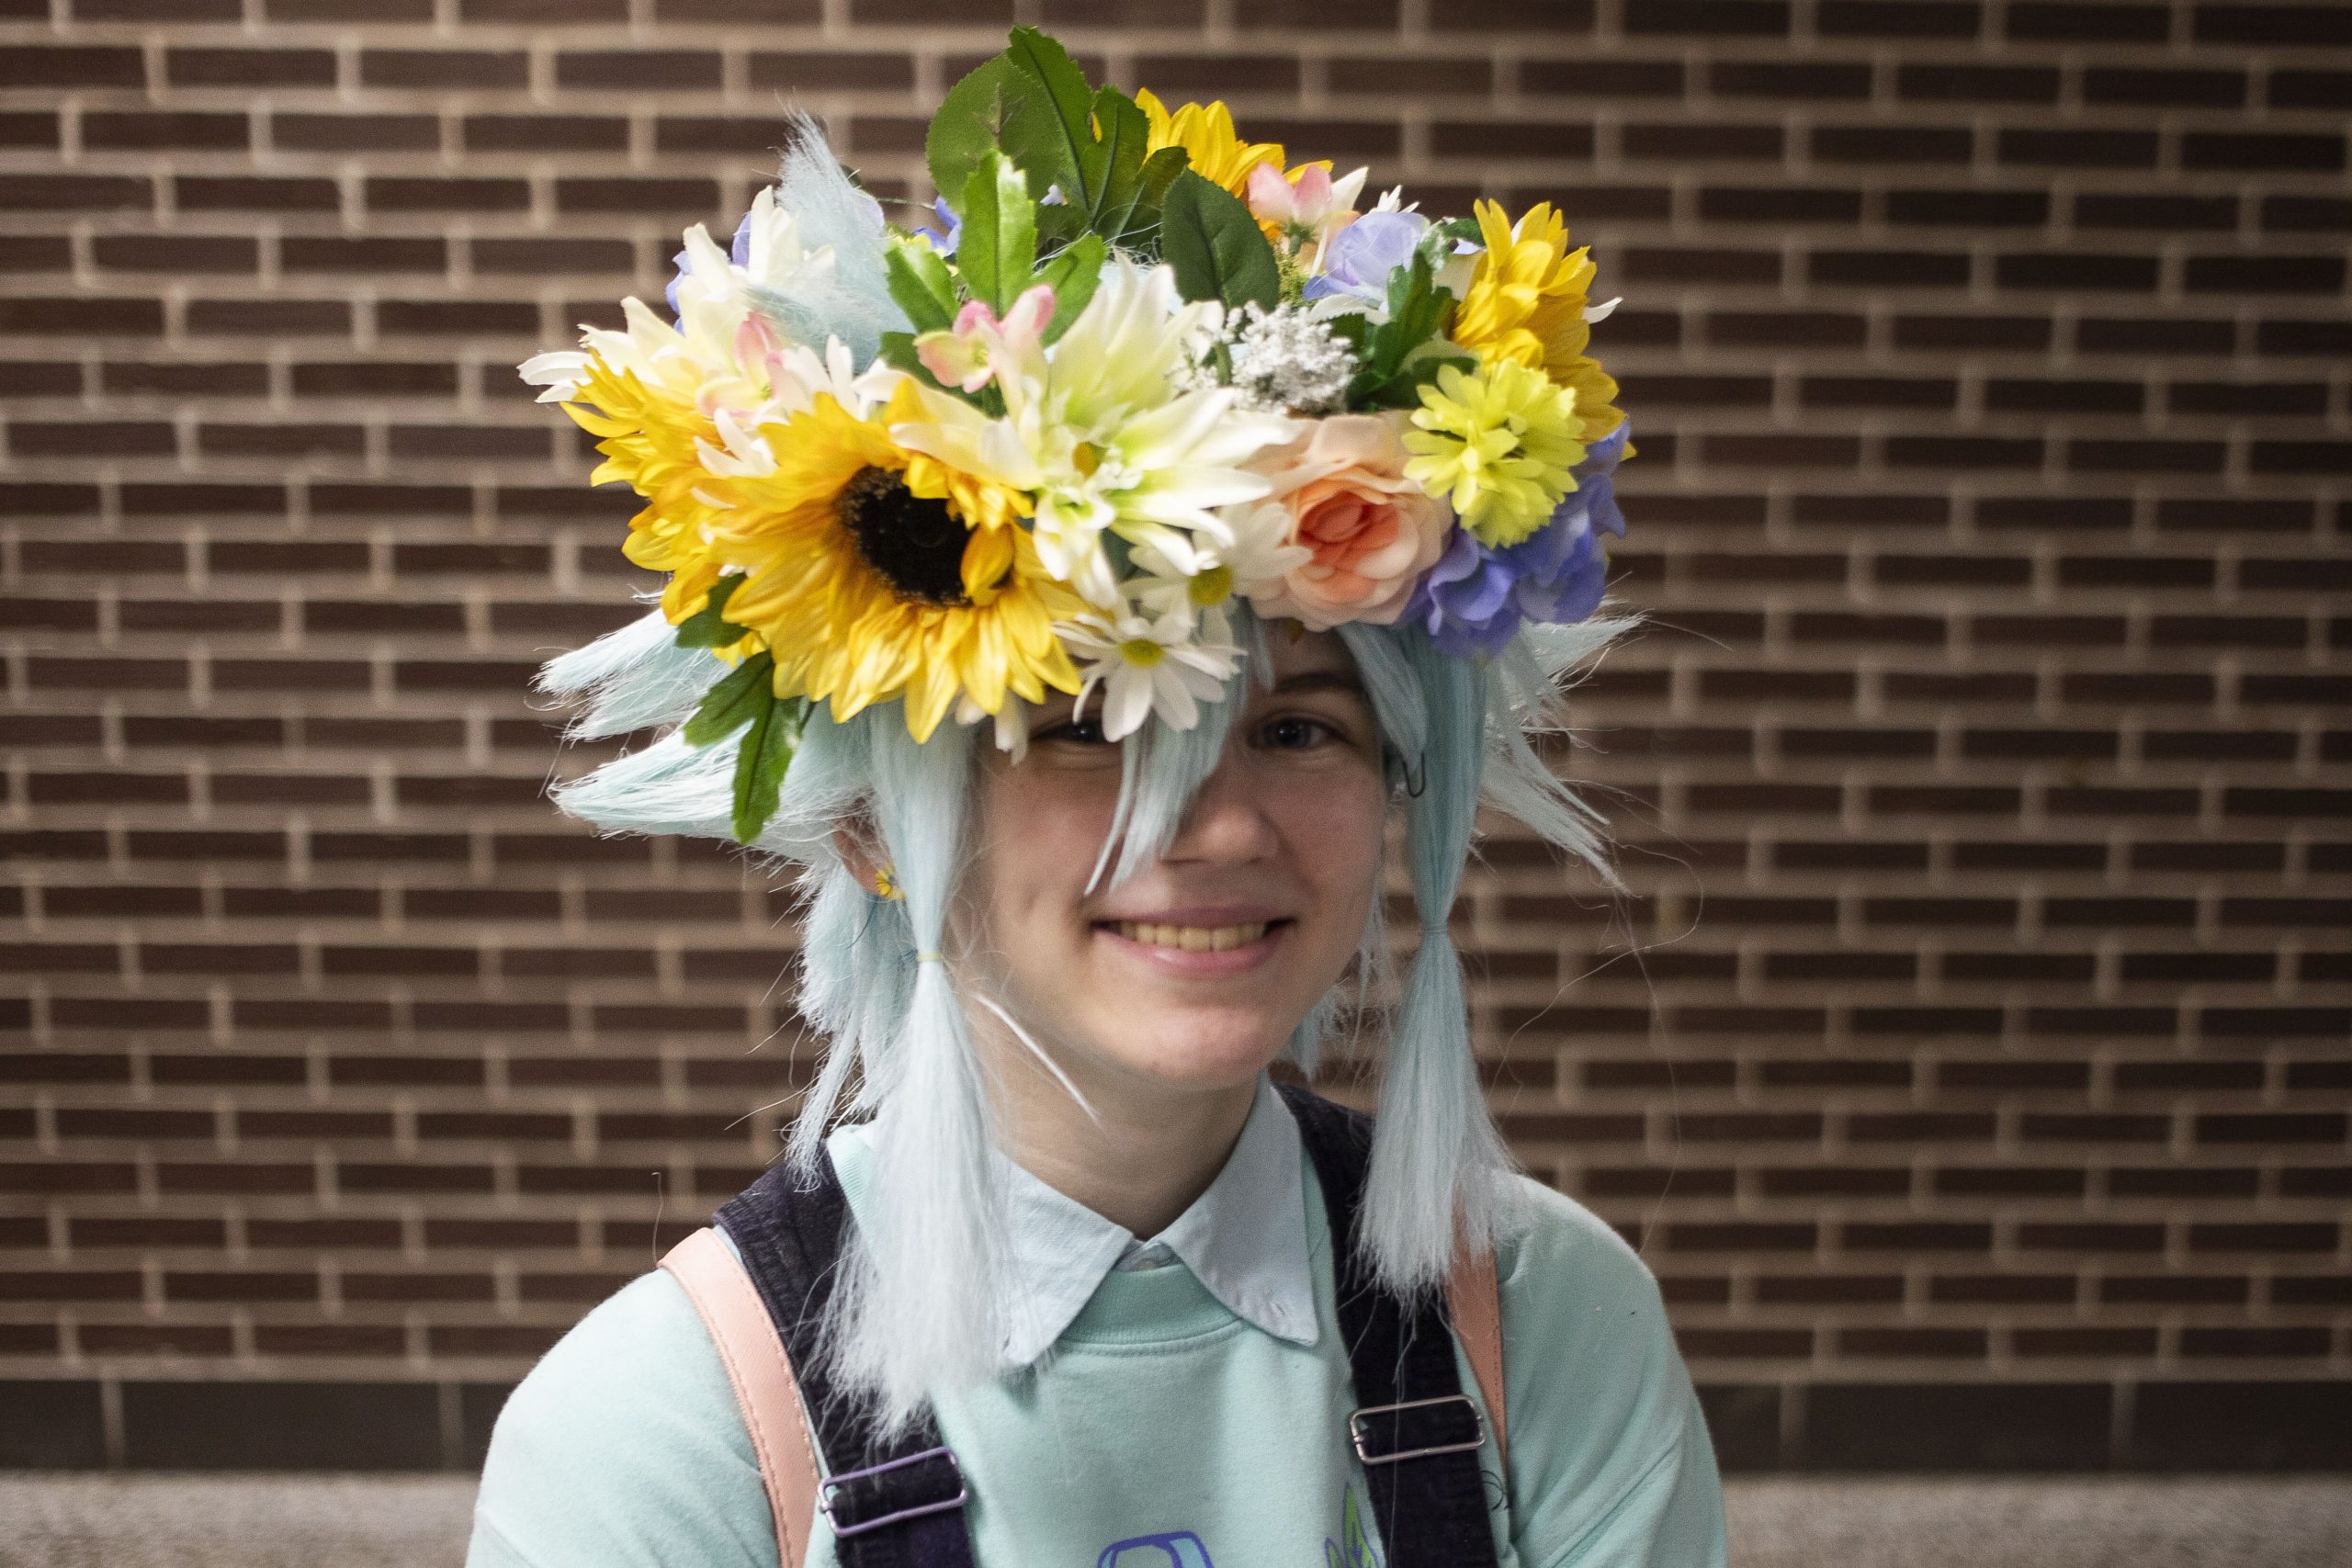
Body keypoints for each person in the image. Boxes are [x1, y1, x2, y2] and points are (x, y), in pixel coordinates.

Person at [469, 28, 1726, 1568]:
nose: (1210, 827)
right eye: (1079, 723)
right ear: (871, 826)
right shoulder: (660, 1434)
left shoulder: (1549, 1333)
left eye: (1303, 733)